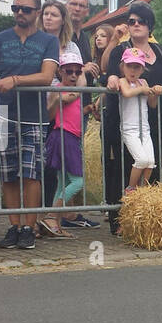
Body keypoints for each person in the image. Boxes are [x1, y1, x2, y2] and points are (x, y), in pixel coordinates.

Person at [0, 0, 59, 250]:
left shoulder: (48, 41)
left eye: (25, 9)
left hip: (33, 116)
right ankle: (14, 226)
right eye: (16, 9)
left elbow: (47, 76)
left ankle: (29, 226)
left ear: (37, 12)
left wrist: (14, 80)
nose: (19, 14)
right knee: (7, 174)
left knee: (31, 174)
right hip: (4, 115)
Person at [102, 3, 162, 234]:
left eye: (140, 21)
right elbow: (111, 75)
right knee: (122, 168)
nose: (135, 25)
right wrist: (113, 78)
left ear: (149, 25)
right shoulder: (120, 50)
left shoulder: (160, 52)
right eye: (131, 21)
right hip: (126, 121)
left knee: (151, 168)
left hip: (155, 121)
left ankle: (146, 220)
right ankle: (120, 220)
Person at [39, 51, 92, 237]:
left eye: (77, 72)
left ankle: (55, 226)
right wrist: (59, 100)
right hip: (64, 137)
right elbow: (51, 114)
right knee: (77, 182)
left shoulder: (75, 90)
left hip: (70, 136)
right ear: (60, 72)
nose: (73, 76)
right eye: (69, 71)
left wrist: (87, 109)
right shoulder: (60, 90)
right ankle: (52, 215)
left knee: (63, 182)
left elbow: (75, 106)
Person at [118, 47, 162, 194]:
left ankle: (141, 191)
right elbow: (127, 93)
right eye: (129, 66)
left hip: (144, 128)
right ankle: (130, 188)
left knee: (150, 162)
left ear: (142, 69)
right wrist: (142, 90)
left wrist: (154, 92)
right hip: (129, 129)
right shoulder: (123, 81)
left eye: (136, 67)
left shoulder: (143, 82)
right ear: (123, 67)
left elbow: (152, 104)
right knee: (141, 160)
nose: (132, 70)